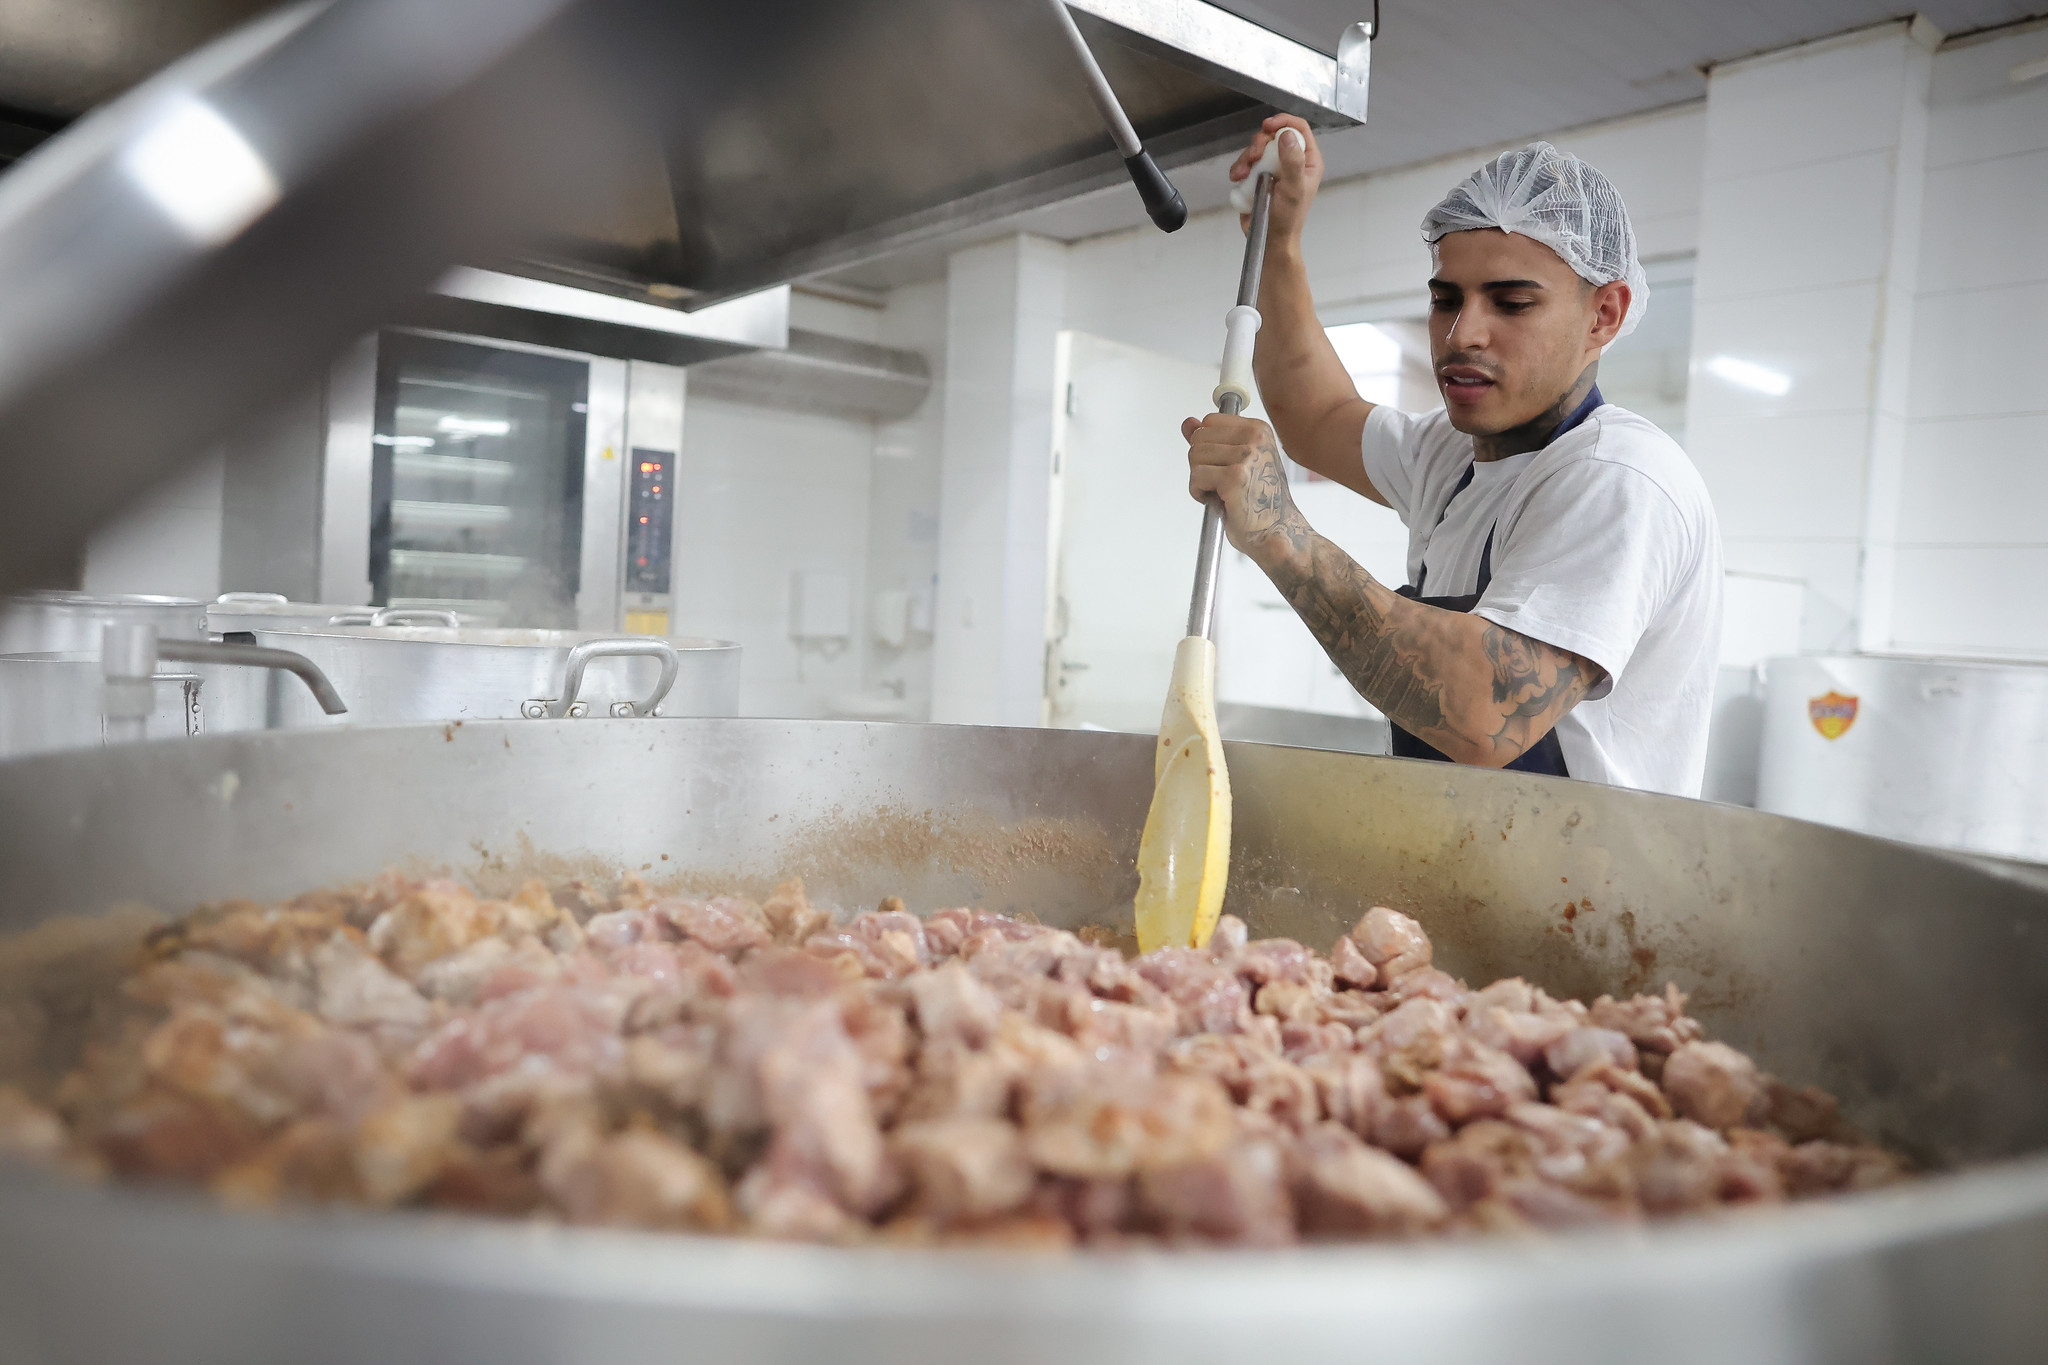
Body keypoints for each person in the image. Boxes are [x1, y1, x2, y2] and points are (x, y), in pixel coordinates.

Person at [1184, 119, 1722, 796]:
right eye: (1446, 300)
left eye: (1512, 303)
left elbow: (1483, 711)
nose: (1463, 333)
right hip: (1470, 852)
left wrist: (1280, 534)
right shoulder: (1452, 454)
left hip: (1581, 867)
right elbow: (1316, 416)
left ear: (1604, 315)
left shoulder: (1618, 476)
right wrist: (1279, 241)